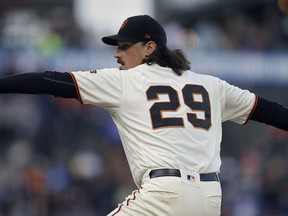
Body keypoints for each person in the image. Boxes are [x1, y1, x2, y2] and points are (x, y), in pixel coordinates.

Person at [0, 14, 288, 216]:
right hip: (210, 198)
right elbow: (270, 111)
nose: (117, 54)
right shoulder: (211, 84)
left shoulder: (125, 81)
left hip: (163, 194)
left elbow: (50, 81)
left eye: (125, 46)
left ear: (150, 48)